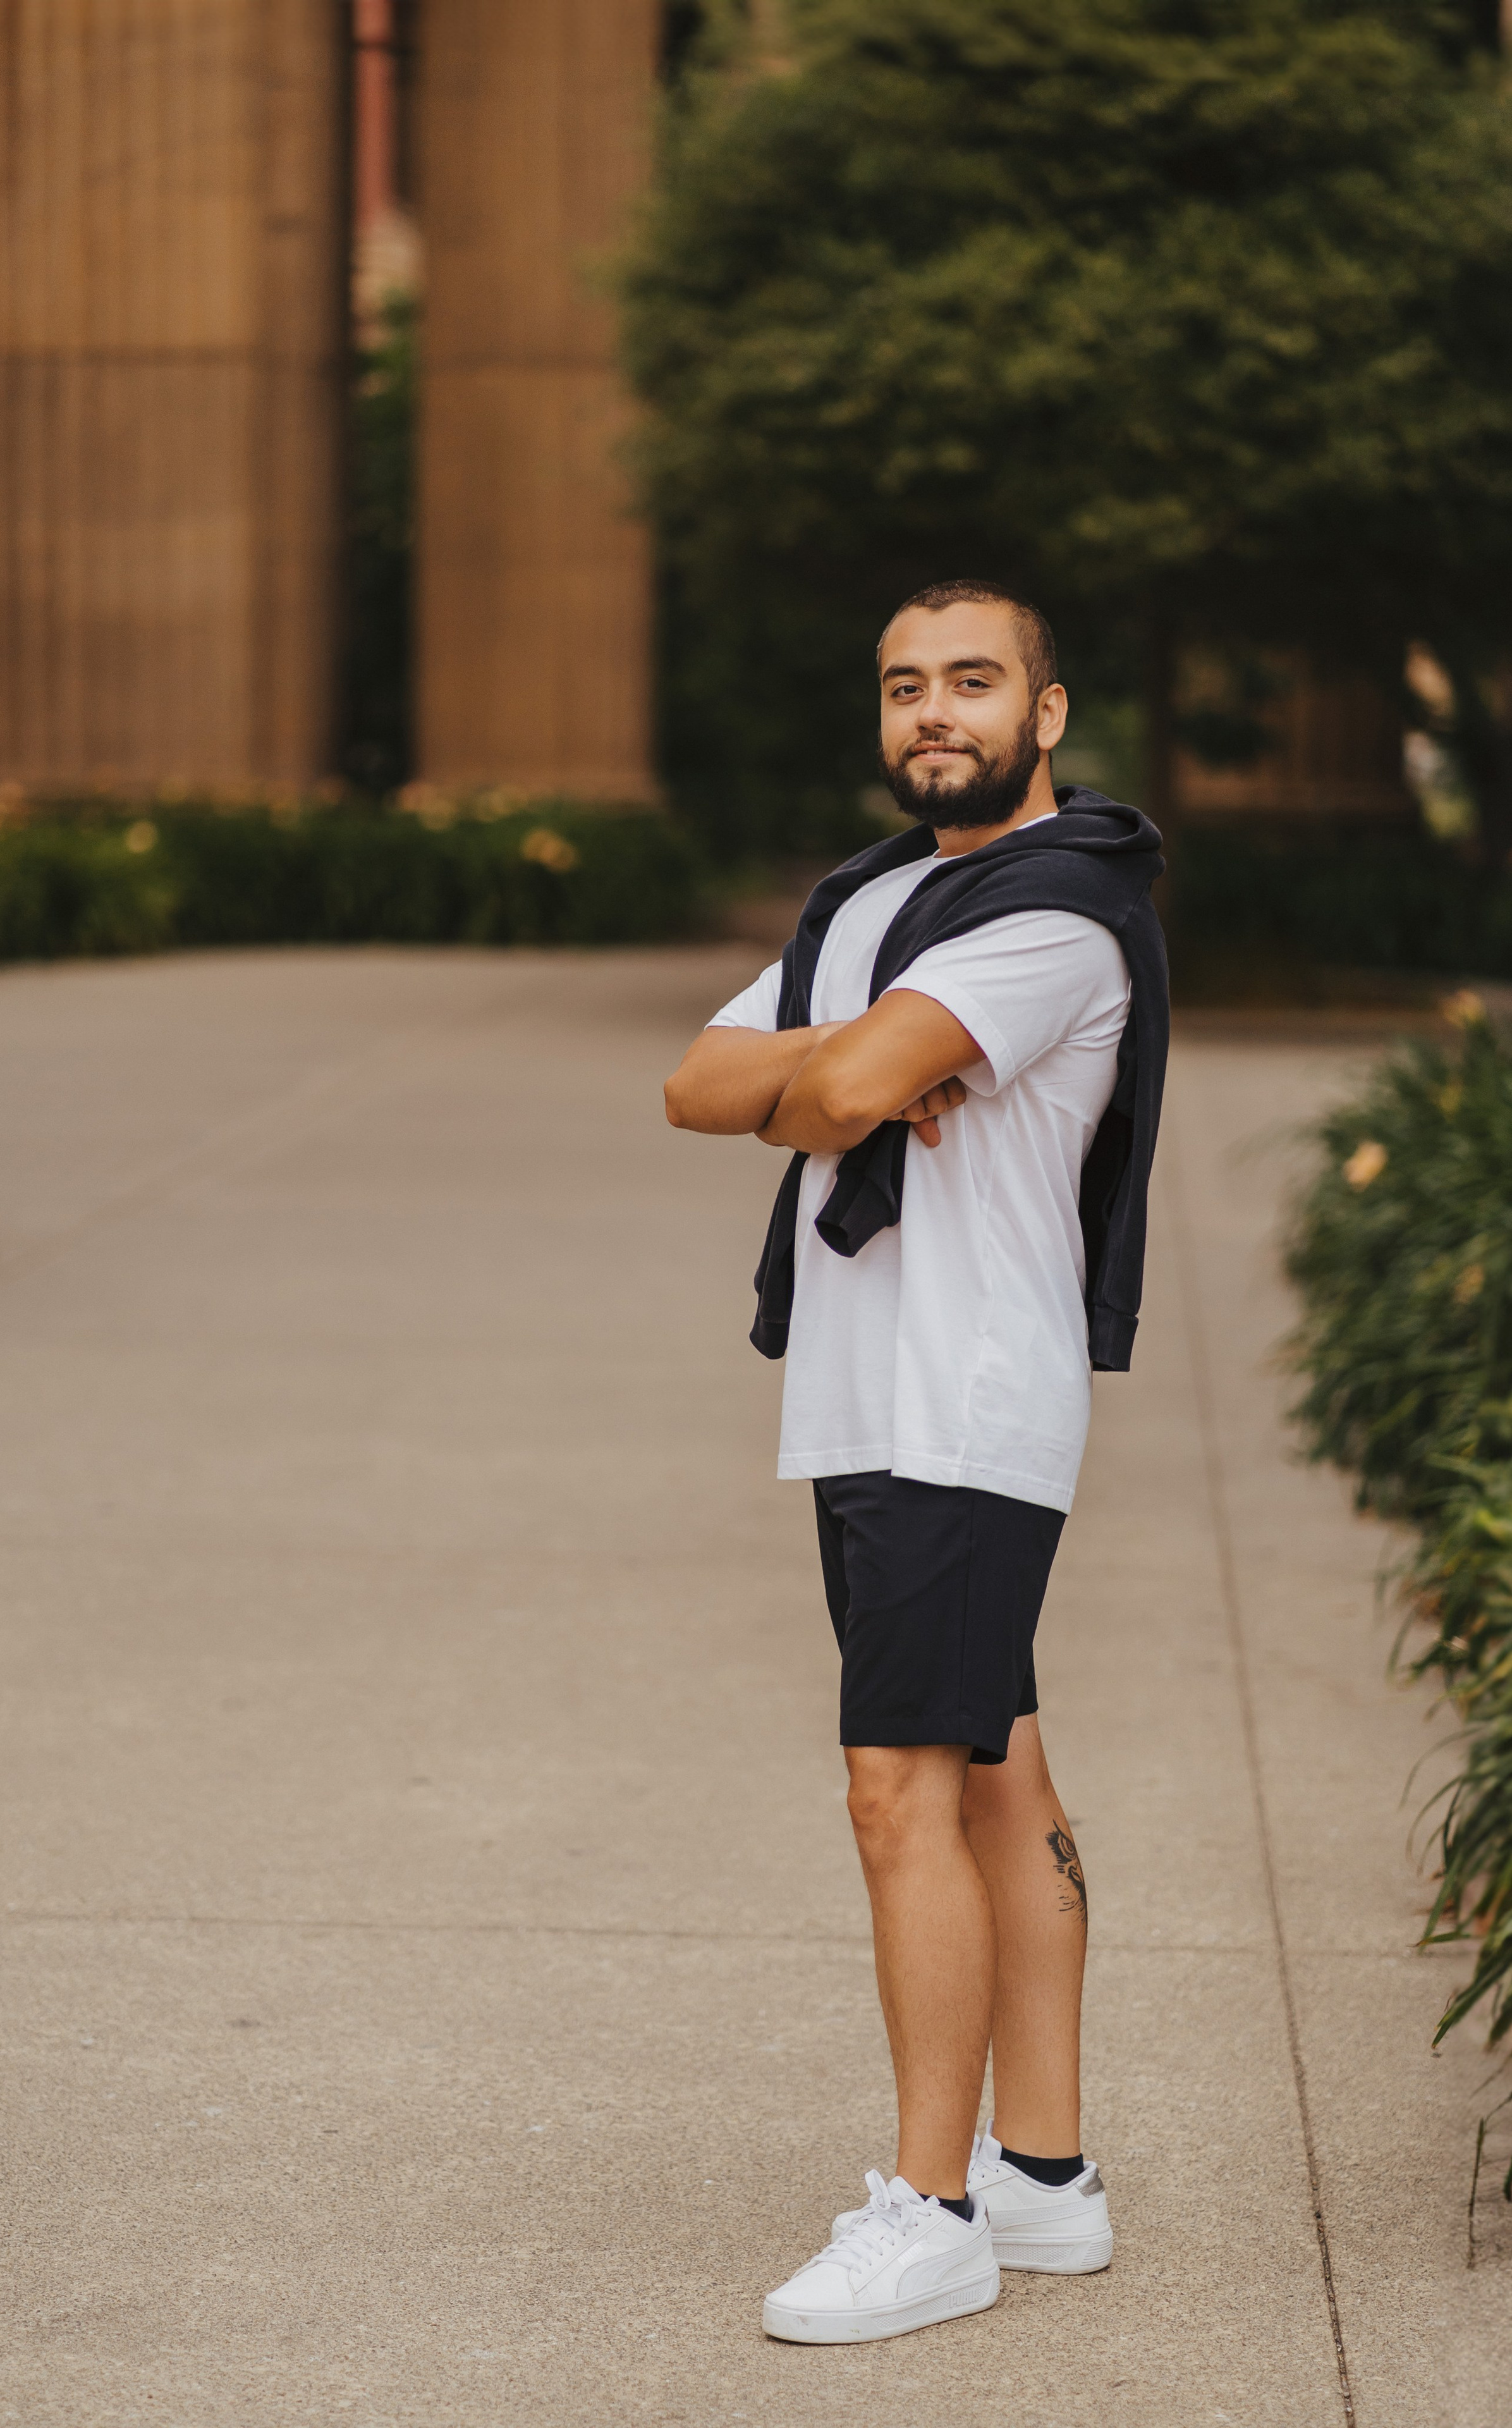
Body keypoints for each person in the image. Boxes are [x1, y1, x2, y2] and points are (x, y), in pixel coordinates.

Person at [663, 579, 1168, 2345]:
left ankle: (933, 2210)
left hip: (965, 1398)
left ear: (1045, 712)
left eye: (972, 681)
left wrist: (833, 1075)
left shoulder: (1061, 910)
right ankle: (1045, 2181)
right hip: (865, 1396)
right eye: (903, 685)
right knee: (992, 1773)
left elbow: (841, 1084)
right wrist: (837, 1068)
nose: (932, 711)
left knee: (897, 1794)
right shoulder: (868, 899)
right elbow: (700, 1083)